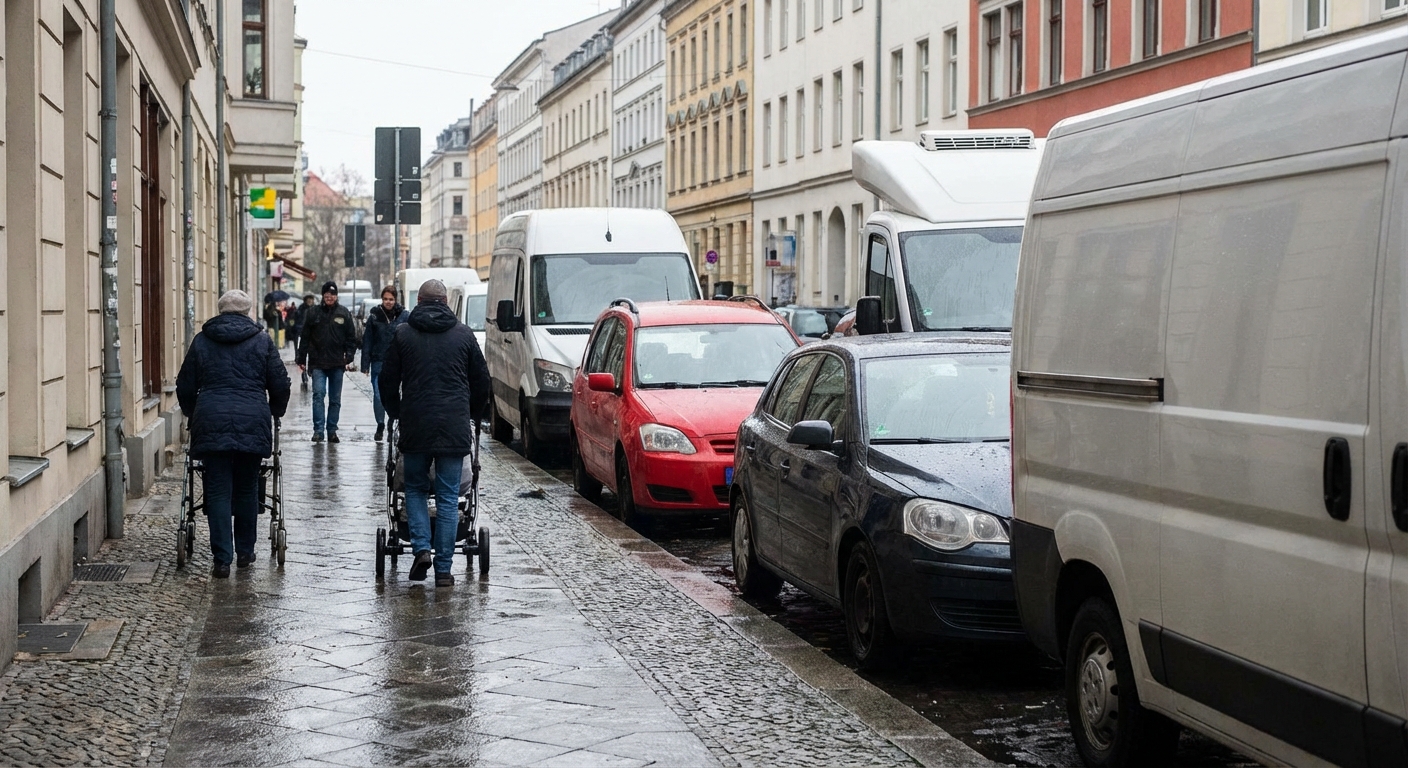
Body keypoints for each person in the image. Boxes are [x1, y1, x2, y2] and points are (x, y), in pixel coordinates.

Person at [380, 279, 491, 587]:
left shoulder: (403, 334)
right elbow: (481, 381)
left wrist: (395, 412)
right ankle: (443, 569)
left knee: (414, 489)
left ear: (418, 302)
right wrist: (472, 413)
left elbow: (387, 381)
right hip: (453, 426)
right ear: (446, 302)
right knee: (447, 497)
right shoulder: (464, 335)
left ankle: (420, 550)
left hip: (415, 423)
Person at [176, 290, 290, 579]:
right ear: (248, 311)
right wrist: (274, 410)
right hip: (252, 419)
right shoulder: (262, 340)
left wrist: (194, 411)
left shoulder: (202, 341)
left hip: (211, 419)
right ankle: (245, 552)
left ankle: (221, 559)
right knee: (247, 488)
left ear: (220, 311)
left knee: (216, 490)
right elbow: (280, 383)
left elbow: (185, 385)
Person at [296, 281, 357, 443]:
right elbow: (305, 337)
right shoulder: (313, 313)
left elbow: (352, 337)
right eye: (327, 294)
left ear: (336, 296)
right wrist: (301, 358)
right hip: (317, 363)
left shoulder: (343, 313)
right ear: (323, 296)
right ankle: (318, 430)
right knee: (318, 394)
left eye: (333, 294)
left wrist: (349, 355)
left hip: (337, 362)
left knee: (335, 399)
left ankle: (331, 430)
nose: (330, 297)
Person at [361, 286, 409, 443]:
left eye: (391, 299)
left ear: (395, 300)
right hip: (378, 361)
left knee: (395, 394)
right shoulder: (375, 317)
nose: (388, 302)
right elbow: (367, 340)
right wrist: (365, 364)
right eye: (385, 299)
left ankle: (392, 422)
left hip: (398, 363)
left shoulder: (404, 316)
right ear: (382, 299)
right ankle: (380, 423)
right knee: (378, 394)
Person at [290, 294, 317, 389]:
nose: (310, 301)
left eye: (311, 300)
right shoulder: (300, 310)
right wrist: (297, 330)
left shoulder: (317, 310)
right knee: (302, 355)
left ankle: (311, 371)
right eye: (308, 299)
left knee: (313, 355)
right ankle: (304, 373)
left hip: (313, 336)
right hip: (301, 335)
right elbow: (294, 322)